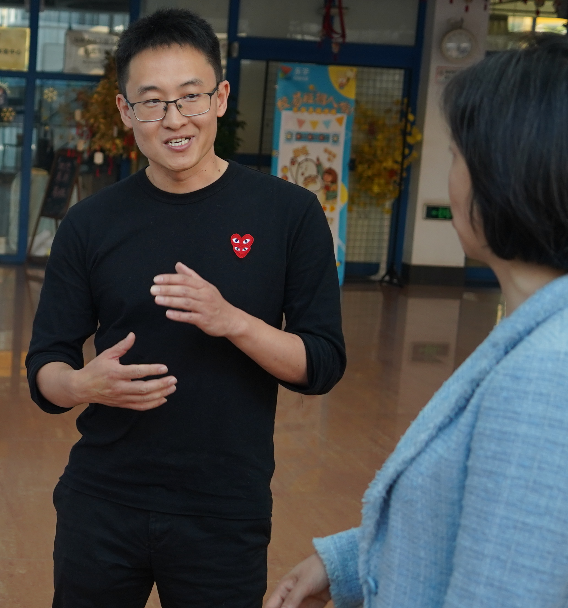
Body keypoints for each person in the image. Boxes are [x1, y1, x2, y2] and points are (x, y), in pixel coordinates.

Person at [24, 9, 346, 607]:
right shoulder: (90, 223)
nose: (174, 120)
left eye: (190, 97)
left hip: (223, 509)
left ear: (220, 97)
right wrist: (82, 384)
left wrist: (232, 321)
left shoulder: (289, 214)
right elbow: (45, 366)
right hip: (103, 499)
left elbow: (321, 364)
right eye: (152, 102)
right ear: (126, 112)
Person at [266, 35, 568, 608]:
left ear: (505, 174)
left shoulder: (547, 375)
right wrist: (346, 563)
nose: (451, 176)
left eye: (456, 156)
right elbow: (468, 516)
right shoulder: (535, 337)